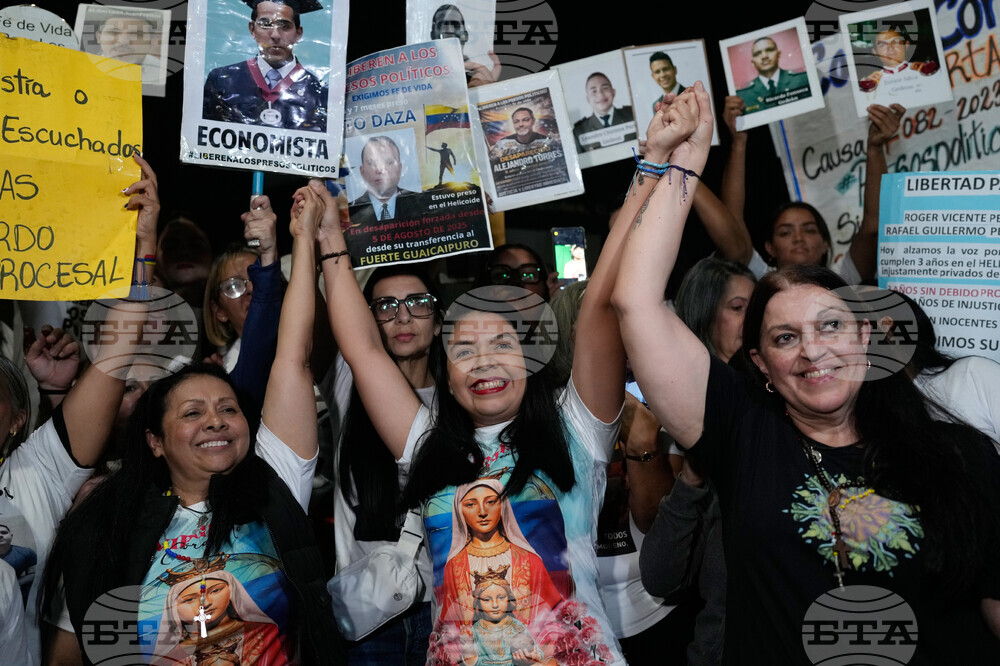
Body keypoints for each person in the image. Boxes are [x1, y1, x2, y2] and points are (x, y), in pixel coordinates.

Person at [614, 83, 1000, 662]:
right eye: (786, 338)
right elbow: (636, 304)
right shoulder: (744, 441)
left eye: (831, 327)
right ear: (761, 365)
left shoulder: (961, 455)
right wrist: (683, 159)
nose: (813, 352)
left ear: (866, 340)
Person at [317, 88, 675, 660]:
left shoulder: (575, 432)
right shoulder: (424, 443)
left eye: (502, 343)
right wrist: (330, 236)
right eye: (464, 349)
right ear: (448, 374)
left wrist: (651, 169)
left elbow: (604, 302)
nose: (484, 360)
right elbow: (362, 348)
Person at [325, 266, 443, 663]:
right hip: (369, 613)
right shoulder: (347, 379)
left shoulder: (464, 400)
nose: (403, 316)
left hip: (445, 609)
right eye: (386, 306)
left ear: (440, 322)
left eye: (419, 303)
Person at [721, 94, 905, 283]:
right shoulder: (761, 282)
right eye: (785, 232)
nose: (798, 238)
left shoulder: (841, 280)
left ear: (826, 244)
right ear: (770, 247)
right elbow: (730, 224)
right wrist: (738, 143)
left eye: (809, 230)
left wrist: (875, 147)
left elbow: (874, 225)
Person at [439, 480, 563, 629]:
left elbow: (554, 615)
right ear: (459, 510)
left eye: (491, 502)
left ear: (503, 505)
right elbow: (449, 627)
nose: (482, 512)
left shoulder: (529, 560)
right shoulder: (454, 566)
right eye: (471, 504)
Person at [203, 196, 283, 409]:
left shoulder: (311, 341)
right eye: (233, 286)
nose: (249, 289)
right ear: (219, 311)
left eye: (256, 278)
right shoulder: (224, 378)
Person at [203, 0, 327, 131]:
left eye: (285, 26)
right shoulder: (222, 80)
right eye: (265, 24)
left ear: (298, 33)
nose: (275, 35)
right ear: (252, 29)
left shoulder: (319, 93)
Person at [468, 574, 556, 666]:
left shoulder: (516, 625)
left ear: (509, 599)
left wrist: (531, 657)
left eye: (501, 598)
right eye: (486, 600)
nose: (495, 605)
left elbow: (537, 652)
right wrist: (467, 643)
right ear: (478, 603)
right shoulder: (476, 629)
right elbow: (472, 661)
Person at [349, 136, 424, 225]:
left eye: (389, 162)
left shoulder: (422, 203)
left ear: (400, 169)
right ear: (362, 172)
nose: (380, 170)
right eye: (372, 163)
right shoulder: (349, 212)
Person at [735, 37, 810, 114]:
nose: (764, 56)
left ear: (778, 54)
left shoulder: (803, 79)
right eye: (757, 53)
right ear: (752, 62)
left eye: (769, 50)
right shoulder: (742, 95)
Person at [857, 26, 938, 95]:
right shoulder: (869, 85)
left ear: (906, 45)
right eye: (882, 45)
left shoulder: (928, 71)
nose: (890, 48)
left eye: (895, 42)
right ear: (875, 52)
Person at [91, 11, 164, 83]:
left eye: (136, 34)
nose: (123, 41)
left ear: (151, 42)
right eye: (113, 32)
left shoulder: (161, 71)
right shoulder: (83, 69)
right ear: (99, 38)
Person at [572, 72, 636, 153]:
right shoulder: (579, 132)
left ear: (613, 92)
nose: (600, 94)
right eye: (594, 91)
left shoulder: (633, 116)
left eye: (605, 88)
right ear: (588, 99)